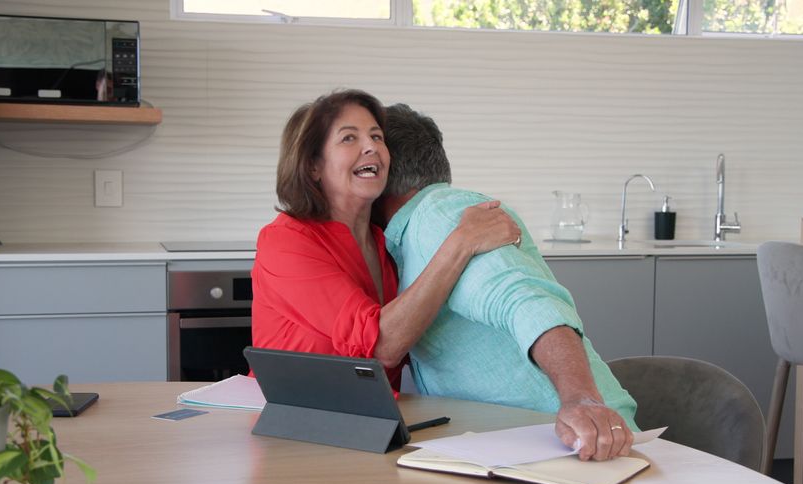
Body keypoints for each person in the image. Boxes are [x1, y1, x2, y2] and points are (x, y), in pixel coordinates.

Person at [375, 103, 638, 461]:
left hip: (579, 444)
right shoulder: (412, 234)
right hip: (529, 448)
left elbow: (528, 303)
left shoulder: (436, 215)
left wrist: (581, 399)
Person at [251, 90, 520, 392]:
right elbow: (382, 346)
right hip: (294, 417)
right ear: (313, 165)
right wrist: (462, 243)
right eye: (349, 138)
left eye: (377, 136)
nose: (371, 147)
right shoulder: (286, 242)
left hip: (376, 417)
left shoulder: (387, 241)